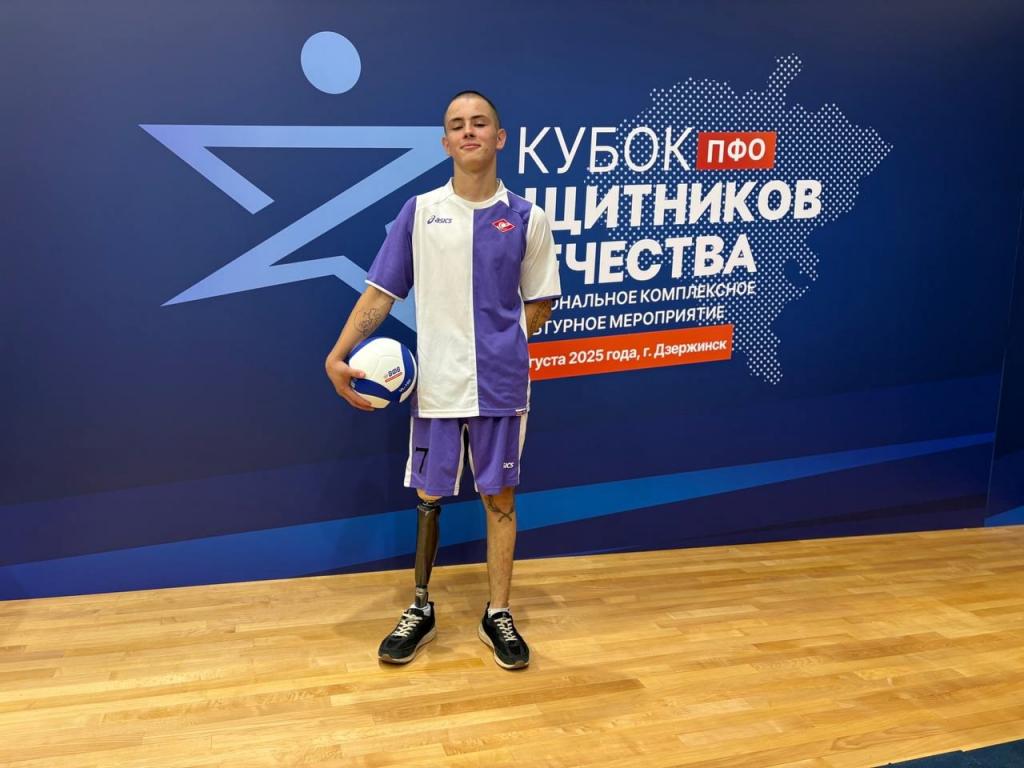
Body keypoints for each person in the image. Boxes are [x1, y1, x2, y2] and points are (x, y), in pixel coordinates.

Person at [324, 91, 560, 670]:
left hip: (502, 387)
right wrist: (338, 354)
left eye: (480, 123)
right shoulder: (420, 212)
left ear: (500, 138)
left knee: (500, 499)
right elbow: (380, 293)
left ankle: (497, 613)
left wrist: (503, 343)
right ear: (446, 142)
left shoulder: (528, 218)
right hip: (435, 387)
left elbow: (541, 300)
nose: (468, 131)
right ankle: (421, 607)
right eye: (457, 125)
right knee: (428, 497)